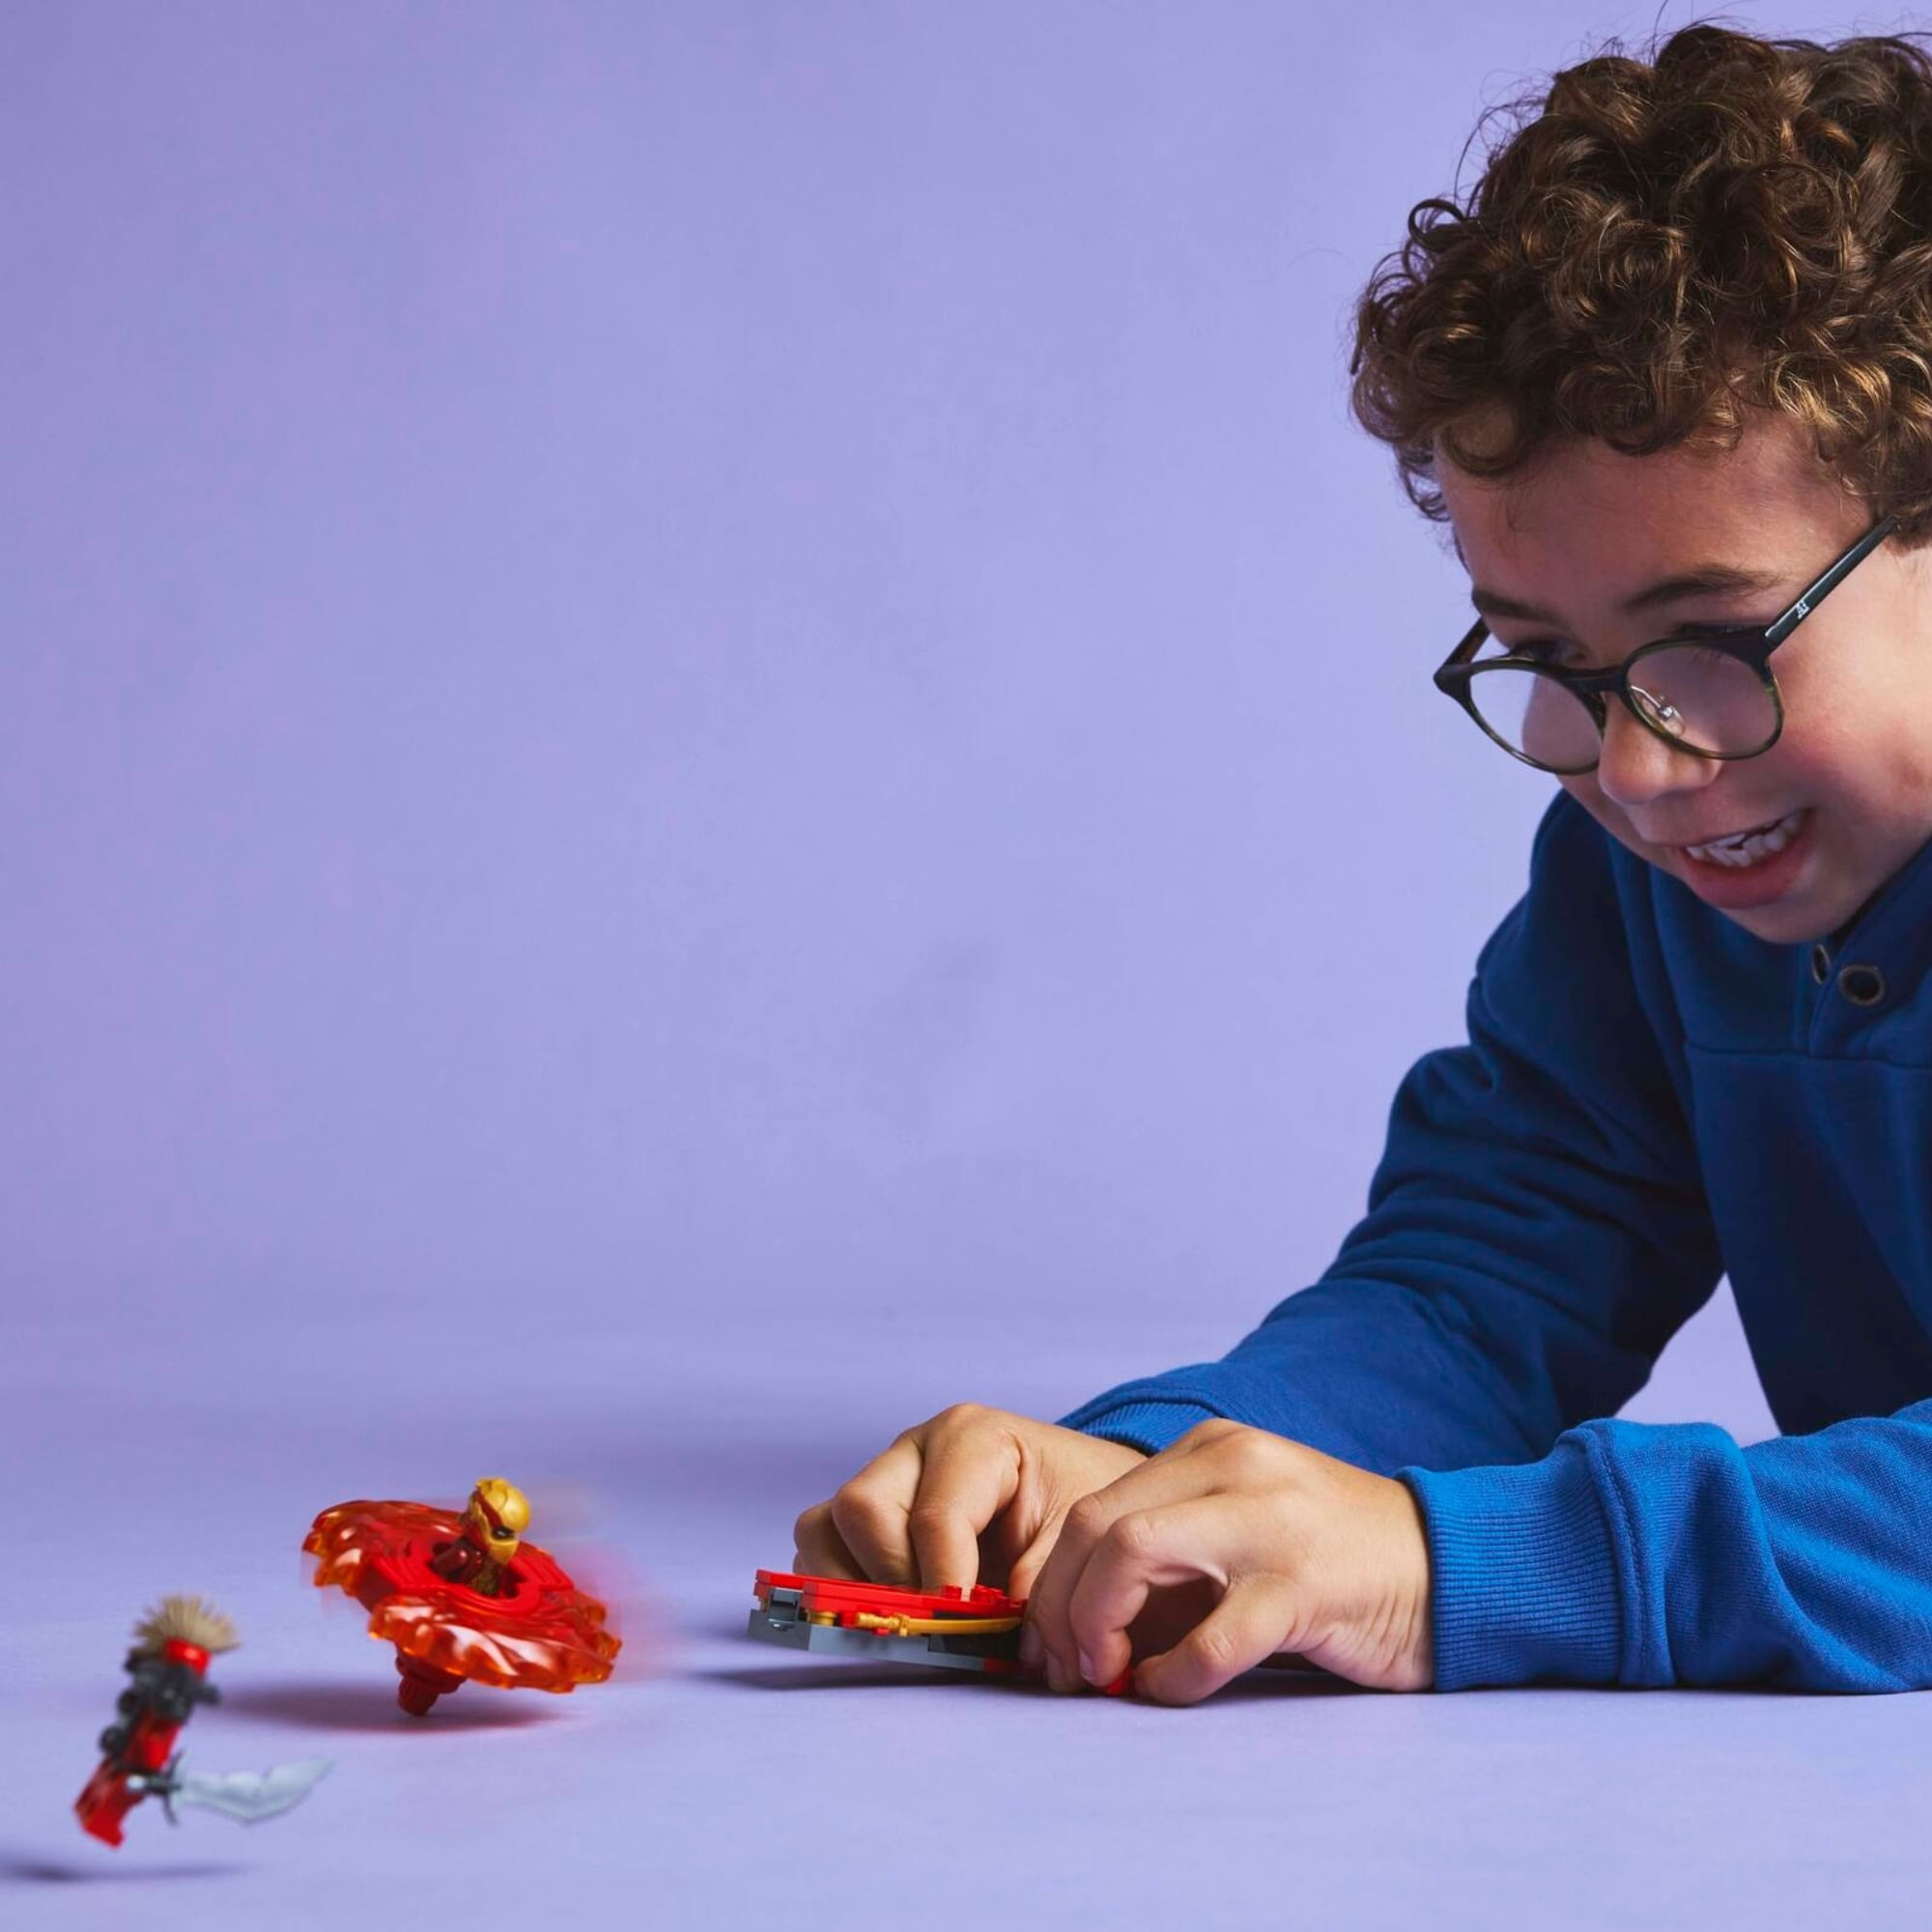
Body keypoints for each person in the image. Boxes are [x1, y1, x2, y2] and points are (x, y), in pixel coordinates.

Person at [794, 23, 1932, 1703]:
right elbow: (1488, 1281)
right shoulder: (1653, 873)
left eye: (1714, 640)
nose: (1635, 769)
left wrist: (1444, 1564)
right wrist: (1157, 1473)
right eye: (1548, 659)